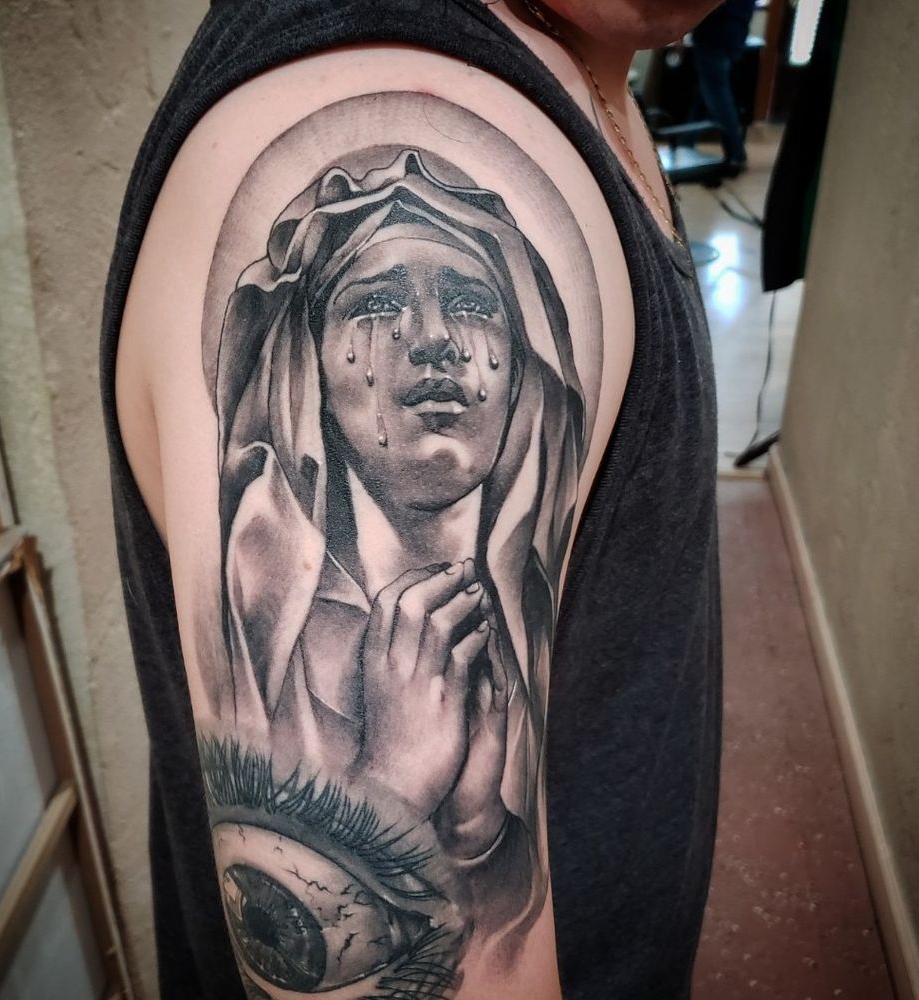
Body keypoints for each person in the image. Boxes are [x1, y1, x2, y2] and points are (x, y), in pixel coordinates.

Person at [103, 2, 722, 998]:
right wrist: (391, 787)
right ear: (305, 366)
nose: (435, 339)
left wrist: (472, 826)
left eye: (472, 302)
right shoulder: (394, 79)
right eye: (378, 303)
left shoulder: (590, 53)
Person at [691, 0, 758, 172]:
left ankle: (736, 153)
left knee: (717, 95)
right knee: (707, 91)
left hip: (714, 33)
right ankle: (685, 143)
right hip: (735, 32)